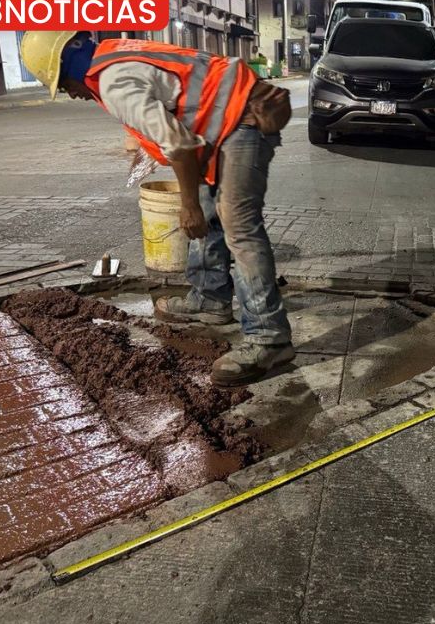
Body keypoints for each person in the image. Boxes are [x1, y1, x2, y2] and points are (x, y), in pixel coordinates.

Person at [18, 31, 296, 386]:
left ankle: (268, 339)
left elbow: (179, 144)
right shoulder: (112, 54)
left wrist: (188, 205)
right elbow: (170, 112)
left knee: (238, 228)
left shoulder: (112, 82)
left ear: (68, 65)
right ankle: (210, 300)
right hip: (225, 118)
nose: (71, 92)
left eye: (62, 83)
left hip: (245, 116)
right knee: (209, 212)